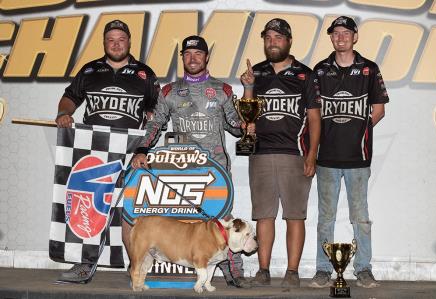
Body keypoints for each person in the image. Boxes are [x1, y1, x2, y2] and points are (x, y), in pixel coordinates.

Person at [131, 35, 250, 288]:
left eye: (198, 53)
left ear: (206, 57)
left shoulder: (222, 90)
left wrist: (246, 124)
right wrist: (142, 149)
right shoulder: (169, 91)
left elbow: (235, 126)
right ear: (182, 58)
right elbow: (156, 123)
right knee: (183, 224)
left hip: (216, 170)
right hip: (180, 169)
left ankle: (233, 270)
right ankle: (178, 271)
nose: (193, 58)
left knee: (222, 222)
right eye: (187, 54)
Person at [54, 19, 160, 282]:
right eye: (111, 39)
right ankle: (84, 264)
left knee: (129, 211)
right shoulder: (90, 70)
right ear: (104, 42)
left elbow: (158, 111)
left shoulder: (144, 73)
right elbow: (70, 97)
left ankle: (134, 264)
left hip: (130, 152)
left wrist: (150, 120)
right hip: (94, 151)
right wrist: (64, 112)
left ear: (129, 42)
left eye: (121, 39)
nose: (116, 44)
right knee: (89, 208)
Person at [240, 18, 321, 288]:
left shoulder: (304, 74)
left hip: (294, 154)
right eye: (268, 38)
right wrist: (248, 85)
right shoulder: (257, 73)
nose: (272, 42)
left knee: (294, 215)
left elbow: (314, 119)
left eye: (278, 37)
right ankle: (263, 270)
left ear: (288, 41)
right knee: (264, 214)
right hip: (261, 154)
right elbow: (247, 113)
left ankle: (293, 271)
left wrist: (311, 155)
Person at [309, 16, 389, 289]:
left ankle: (363, 268)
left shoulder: (369, 69)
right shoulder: (319, 70)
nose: (340, 37)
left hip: (358, 158)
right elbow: (313, 113)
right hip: (326, 158)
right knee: (325, 219)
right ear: (331, 38)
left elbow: (378, 110)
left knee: (361, 218)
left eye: (346, 33)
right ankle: (322, 270)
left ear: (355, 36)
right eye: (336, 33)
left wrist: (359, 130)